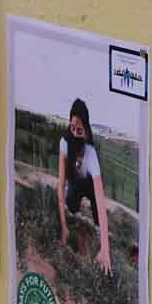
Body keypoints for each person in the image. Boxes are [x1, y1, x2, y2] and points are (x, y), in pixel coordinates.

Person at [57, 97, 109, 266]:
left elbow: (101, 201)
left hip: (90, 187)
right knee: (71, 206)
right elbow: (61, 184)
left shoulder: (91, 153)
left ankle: (98, 232)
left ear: (86, 130)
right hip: (75, 184)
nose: (74, 133)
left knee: (97, 213)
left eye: (79, 129)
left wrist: (105, 250)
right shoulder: (64, 144)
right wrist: (64, 225)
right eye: (72, 128)